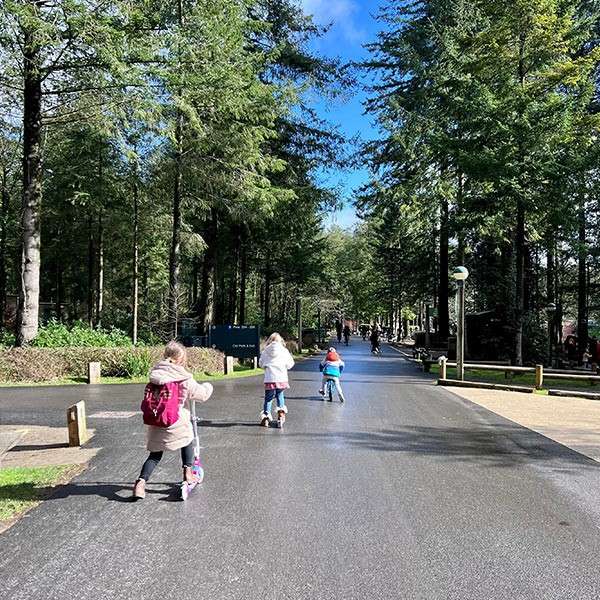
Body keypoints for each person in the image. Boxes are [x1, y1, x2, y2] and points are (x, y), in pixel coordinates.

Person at [133, 341, 214, 500]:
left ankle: (140, 483)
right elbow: (202, 395)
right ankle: (188, 473)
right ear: (181, 359)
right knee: (188, 440)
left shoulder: (155, 375)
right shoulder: (183, 377)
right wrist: (208, 386)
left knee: (155, 456)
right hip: (175, 422)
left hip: (156, 422)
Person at [259, 332, 295, 426]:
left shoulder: (265, 351)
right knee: (280, 395)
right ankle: (281, 416)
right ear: (280, 340)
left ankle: (266, 417)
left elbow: (261, 364)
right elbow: (290, 364)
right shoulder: (284, 351)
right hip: (281, 378)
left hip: (269, 378)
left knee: (268, 398)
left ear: (270, 341)